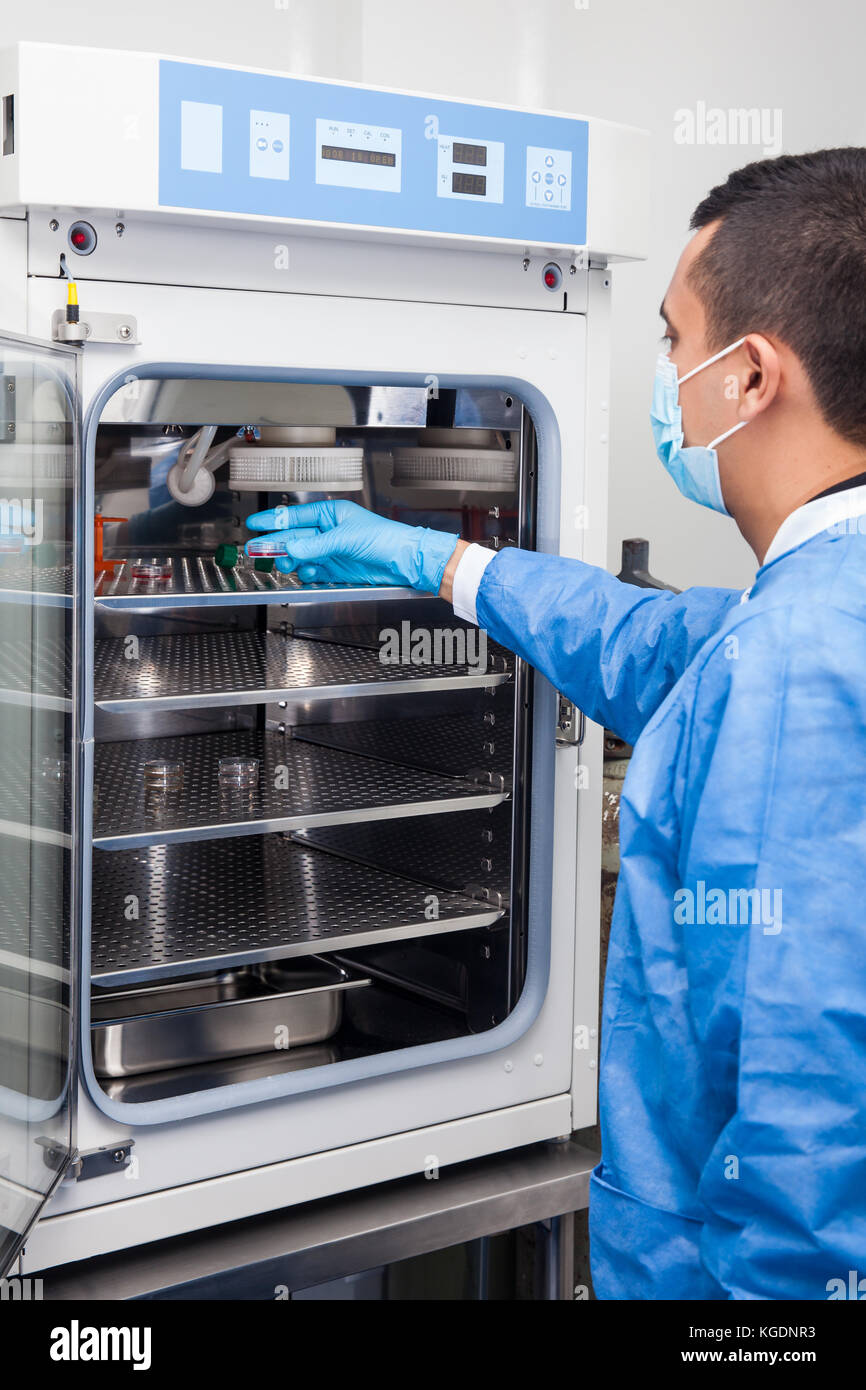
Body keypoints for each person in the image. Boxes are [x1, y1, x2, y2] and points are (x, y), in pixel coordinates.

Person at [246, 149, 866, 1301]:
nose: (667, 374)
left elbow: (809, 1135)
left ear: (750, 377)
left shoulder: (797, 675)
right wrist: (440, 558)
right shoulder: (803, 623)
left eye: (676, 340)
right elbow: (654, 649)